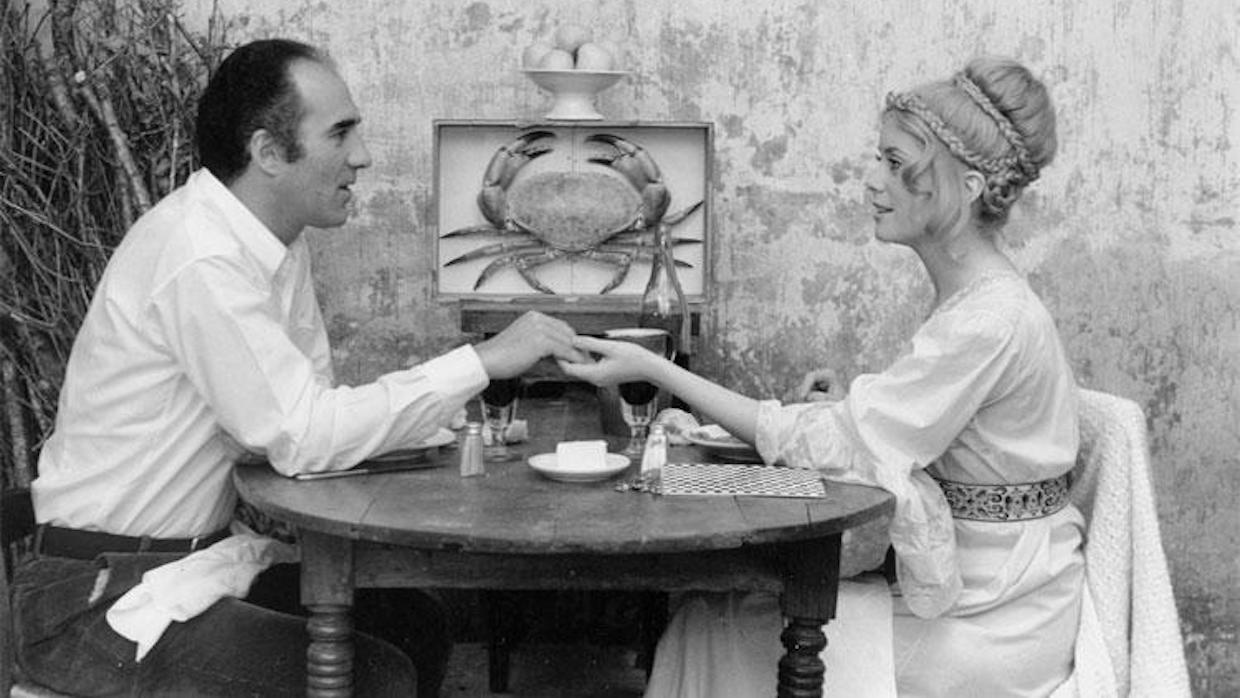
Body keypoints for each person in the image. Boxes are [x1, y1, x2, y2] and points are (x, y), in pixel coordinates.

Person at [13, 38, 585, 697]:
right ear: (266, 153)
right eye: (340, 132)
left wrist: (449, 427)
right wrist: (479, 362)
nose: (363, 156)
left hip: (192, 567)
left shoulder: (271, 244)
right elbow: (303, 435)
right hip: (101, 599)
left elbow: (308, 421)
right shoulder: (202, 256)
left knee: (412, 622)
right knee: (376, 678)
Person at [562, 55, 1083, 697]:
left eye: (895, 165)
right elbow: (913, 433)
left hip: (995, 618)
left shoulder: (988, 320)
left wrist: (653, 366)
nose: (870, 182)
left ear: (967, 185)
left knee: (707, 629)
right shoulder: (982, 302)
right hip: (989, 590)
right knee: (712, 616)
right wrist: (856, 420)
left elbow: (848, 440)